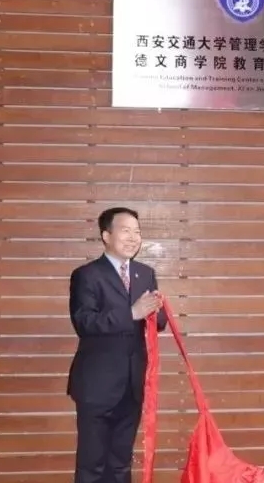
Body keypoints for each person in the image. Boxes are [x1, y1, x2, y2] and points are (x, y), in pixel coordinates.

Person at [68, 207, 168, 483]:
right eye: (126, 231)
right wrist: (132, 313)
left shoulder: (145, 273)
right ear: (106, 235)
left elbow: (156, 323)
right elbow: (84, 322)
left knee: (121, 464)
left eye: (137, 232)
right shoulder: (87, 275)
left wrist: (158, 311)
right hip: (96, 386)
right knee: (92, 466)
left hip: (133, 385)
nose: (133, 238)